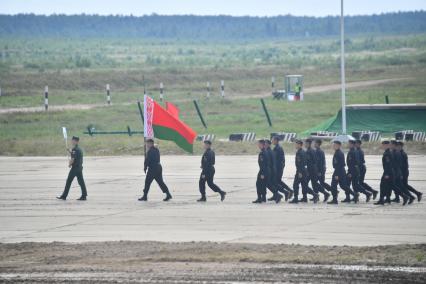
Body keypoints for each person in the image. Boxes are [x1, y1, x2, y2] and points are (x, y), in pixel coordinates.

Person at [57, 136, 88, 201]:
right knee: (81, 182)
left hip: (75, 169)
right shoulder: (79, 149)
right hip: (79, 168)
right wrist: (69, 151)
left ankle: (64, 196)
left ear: (76, 141)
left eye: (73, 140)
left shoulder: (75, 149)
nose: (72, 141)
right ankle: (84, 195)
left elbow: (73, 159)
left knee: (68, 182)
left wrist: (69, 164)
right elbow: (75, 155)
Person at [290, 139, 318, 204]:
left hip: (301, 171)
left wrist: (299, 172)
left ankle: (296, 198)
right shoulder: (303, 151)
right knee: (304, 185)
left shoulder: (300, 152)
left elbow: (301, 163)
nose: (296, 145)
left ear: (300, 145)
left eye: (297, 144)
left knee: (295, 185)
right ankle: (310, 196)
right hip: (304, 170)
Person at [390, 140, 415, 205]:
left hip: (399, 172)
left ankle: (410, 196)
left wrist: (400, 174)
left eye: (391, 144)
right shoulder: (395, 152)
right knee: (399, 185)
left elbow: (401, 165)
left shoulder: (400, 153)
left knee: (399, 185)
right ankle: (400, 197)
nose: (390, 145)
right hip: (398, 172)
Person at [271, 136, 293, 201]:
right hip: (279, 168)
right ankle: (289, 191)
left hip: (278, 168)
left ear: (276, 141)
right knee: (278, 181)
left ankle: (287, 192)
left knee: (276, 182)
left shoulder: (277, 149)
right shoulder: (278, 148)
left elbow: (276, 160)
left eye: (273, 140)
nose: (272, 141)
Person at [375, 140, 395, 205]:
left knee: (382, 185)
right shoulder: (389, 152)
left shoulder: (387, 153)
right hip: (389, 172)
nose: (382, 146)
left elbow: (388, 164)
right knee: (388, 186)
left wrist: (386, 174)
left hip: (387, 172)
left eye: (383, 145)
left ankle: (381, 200)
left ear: (386, 145)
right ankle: (388, 199)